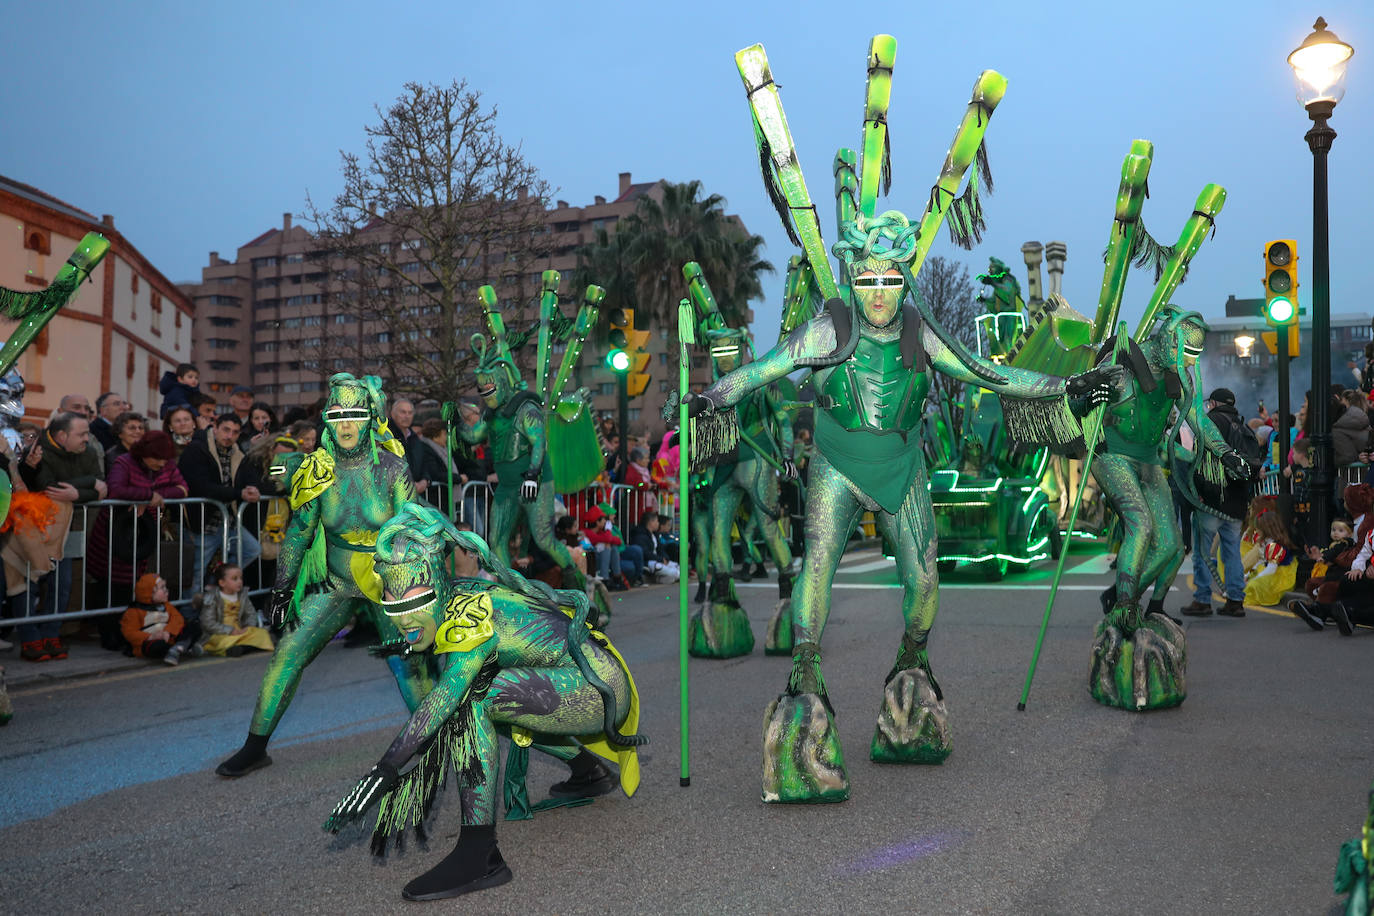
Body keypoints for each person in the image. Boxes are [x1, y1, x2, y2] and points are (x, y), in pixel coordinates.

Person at [323, 504, 643, 902]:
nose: (403, 619)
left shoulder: (469, 616)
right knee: (498, 697)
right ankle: (587, 770)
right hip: (581, 679)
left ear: (437, 589)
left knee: (477, 697)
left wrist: (386, 767)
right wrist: (411, 639)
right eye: (392, 606)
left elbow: (444, 698)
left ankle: (479, 854)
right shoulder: (454, 596)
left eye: (411, 605)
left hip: (598, 689)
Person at [215, 373, 430, 778]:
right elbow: (299, 532)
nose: (346, 425)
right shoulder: (317, 469)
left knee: (409, 668)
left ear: (369, 418)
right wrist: (282, 590)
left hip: (389, 585)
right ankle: (255, 746)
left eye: (354, 415)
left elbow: (412, 532)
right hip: (336, 584)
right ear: (327, 421)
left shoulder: (391, 468)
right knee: (287, 653)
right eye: (337, 415)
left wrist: (412, 596)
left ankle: (445, 743)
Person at [15, 411, 107, 660]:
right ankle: (30, 638)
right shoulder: (38, 449)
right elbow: (50, 489)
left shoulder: (86, 452)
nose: (87, 439)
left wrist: (78, 494)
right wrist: (88, 485)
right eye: (82, 434)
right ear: (61, 435)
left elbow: (102, 486)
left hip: (70, 526)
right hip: (33, 526)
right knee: (29, 583)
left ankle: (51, 633)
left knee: (62, 584)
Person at [87, 432, 189, 635]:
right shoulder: (124, 462)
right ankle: (110, 632)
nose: (161, 464)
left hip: (144, 534)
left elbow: (183, 489)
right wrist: (147, 495)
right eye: (157, 458)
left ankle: (132, 631)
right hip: (116, 531)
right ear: (144, 453)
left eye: (164, 459)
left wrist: (156, 496)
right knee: (111, 582)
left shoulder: (167, 465)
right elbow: (115, 489)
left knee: (136, 582)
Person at [1181, 389, 1255, 618]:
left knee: (1202, 552)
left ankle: (1202, 599)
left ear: (1212, 403)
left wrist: (1197, 491)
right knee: (1231, 553)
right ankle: (1235, 600)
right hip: (1237, 502)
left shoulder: (1210, 423)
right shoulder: (1243, 426)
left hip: (1211, 499)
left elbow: (1199, 459)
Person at [177, 412, 262, 595]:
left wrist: (253, 488)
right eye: (226, 430)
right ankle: (189, 616)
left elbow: (249, 475)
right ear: (215, 428)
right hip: (201, 522)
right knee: (196, 573)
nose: (229, 436)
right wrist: (239, 493)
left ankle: (216, 583)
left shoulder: (237, 452)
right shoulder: (197, 449)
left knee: (252, 549)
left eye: (235, 432)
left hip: (227, 520)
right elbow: (201, 486)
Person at [192, 562, 273, 657]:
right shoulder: (212, 598)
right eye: (235, 579)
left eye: (240, 578)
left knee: (262, 634)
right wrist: (230, 630)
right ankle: (244, 648)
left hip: (240, 631)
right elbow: (208, 623)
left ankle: (241, 648)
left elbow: (250, 614)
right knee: (223, 642)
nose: (239, 582)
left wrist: (247, 627)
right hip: (220, 633)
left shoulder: (242, 595)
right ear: (222, 583)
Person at [120, 573, 201, 665]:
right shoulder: (133, 612)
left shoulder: (167, 605)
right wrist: (151, 636)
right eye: (162, 588)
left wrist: (168, 631)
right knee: (158, 646)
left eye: (165, 587)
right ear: (149, 593)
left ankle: (177, 649)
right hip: (151, 641)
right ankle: (183, 647)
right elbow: (129, 632)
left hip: (169, 637)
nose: (166, 590)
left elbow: (178, 619)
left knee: (194, 627)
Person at [1243, 508, 1297, 607]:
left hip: (1278, 575)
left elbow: (1271, 569)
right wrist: (1248, 575)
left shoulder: (1274, 546)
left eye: (1258, 528)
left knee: (1253, 585)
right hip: (1268, 570)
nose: (1256, 531)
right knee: (1246, 581)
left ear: (1266, 529)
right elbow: (1261, 562)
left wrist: (1254, 579)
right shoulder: (1267, 543)